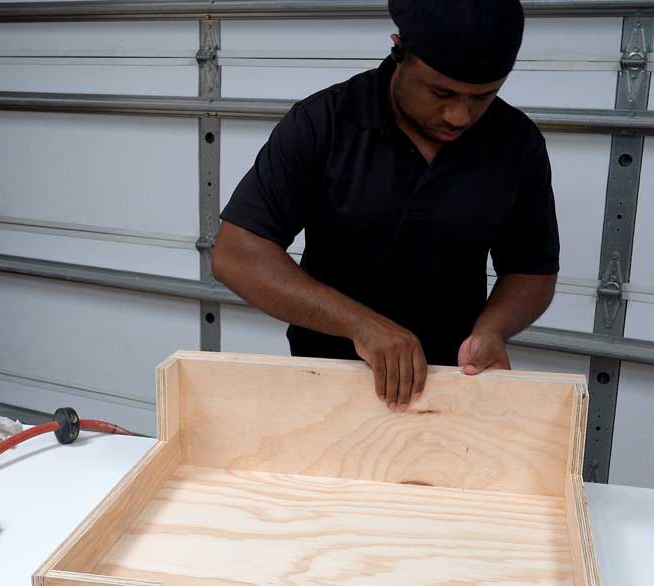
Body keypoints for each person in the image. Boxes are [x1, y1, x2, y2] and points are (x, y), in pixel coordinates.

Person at [212, 0, 559, 412]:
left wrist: (492, 330)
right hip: (327, 379)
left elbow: (531, 271)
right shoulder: (324, 122)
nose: (458, 116)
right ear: (399, 50)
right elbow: (237, 255)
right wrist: (361, 326)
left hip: (452, 384)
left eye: (482, 97)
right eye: (441, 93)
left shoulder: (516, 143)